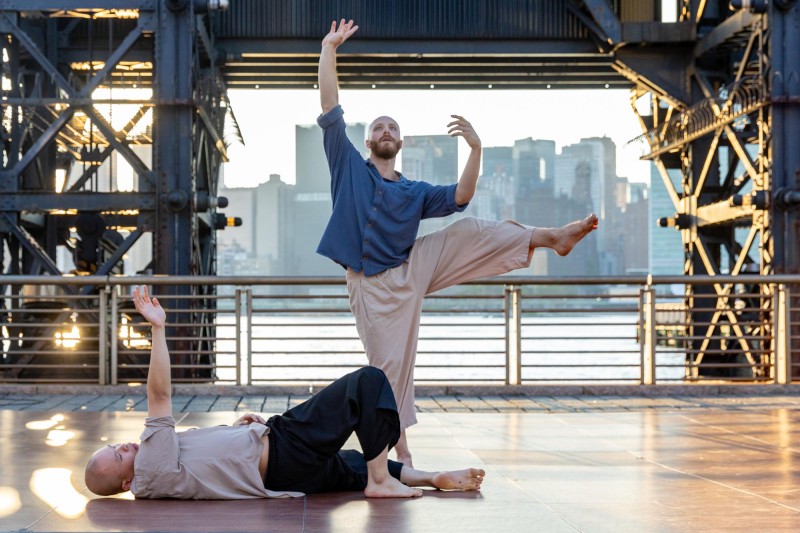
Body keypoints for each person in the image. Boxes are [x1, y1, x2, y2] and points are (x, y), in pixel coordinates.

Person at [317, 19, 599, 467]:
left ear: (402, 142)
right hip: (371, 285)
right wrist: (329, 49)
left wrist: (476, 149)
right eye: (379, 127)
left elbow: (462, 198)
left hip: (412, 267)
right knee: (389, 370)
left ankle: (553, 238)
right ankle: (398, 450)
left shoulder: (415, 191)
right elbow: (331, 106)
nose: (386, 130)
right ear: (369, 140)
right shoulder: (347, 166)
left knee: (468, 231)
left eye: (393, 127)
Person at [84, 286, 485, 499]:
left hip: (284, 473)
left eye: (115, 444)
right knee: (367, 382)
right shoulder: (150, 469)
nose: (124, 445)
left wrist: (237, 430)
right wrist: (157, 328)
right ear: (124, 484)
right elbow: (159, 396)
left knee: (352, 464)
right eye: (117, 454)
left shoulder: (156, 476)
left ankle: (431, 478)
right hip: (285, 449)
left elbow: (204, 462)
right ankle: (382, 482)